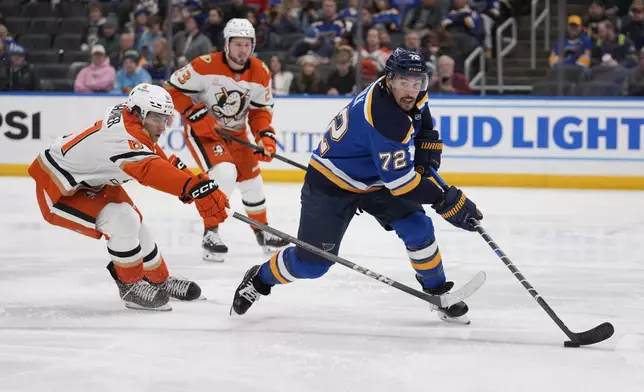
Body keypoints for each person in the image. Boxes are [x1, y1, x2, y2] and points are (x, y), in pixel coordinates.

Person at [230, 48, 483, 324]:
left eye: (416, 82)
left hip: (374, 177)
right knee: (312, 265)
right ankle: (259, 279)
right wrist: (445, 199)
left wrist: (427, 147)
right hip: (331, 184)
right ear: (389, 79)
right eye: (404, 82)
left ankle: (437, 292)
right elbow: (401, 183)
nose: (411, 90)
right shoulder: (385, 118)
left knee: (418, 227)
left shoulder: (407, 95)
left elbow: (422, 119)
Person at [27, 83, 229, 311]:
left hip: (91, 180)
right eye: (157, 119)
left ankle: (158, 279)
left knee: (136, 223)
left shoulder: (133, 118)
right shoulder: (121, 137)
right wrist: (193, 188)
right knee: (124, 221)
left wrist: (200, 185)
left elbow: (158, 158)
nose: (163, 126)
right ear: (140, 114)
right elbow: (149, 170)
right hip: (58, 187)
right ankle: (130, 286)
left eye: (166, 119)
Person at [165, 18, 289, 263]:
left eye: (247, 45)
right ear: (226, 44)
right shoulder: (204, 65)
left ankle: (264, 235)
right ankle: (210, 234)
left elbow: (259, 111)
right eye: (238, 44)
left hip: (237, 133)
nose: (243, 50)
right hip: (205, 133)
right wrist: (194, 114)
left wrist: (265, 136)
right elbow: (171, 89)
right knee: (224, 173)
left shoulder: (260, 71)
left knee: (252, 182)